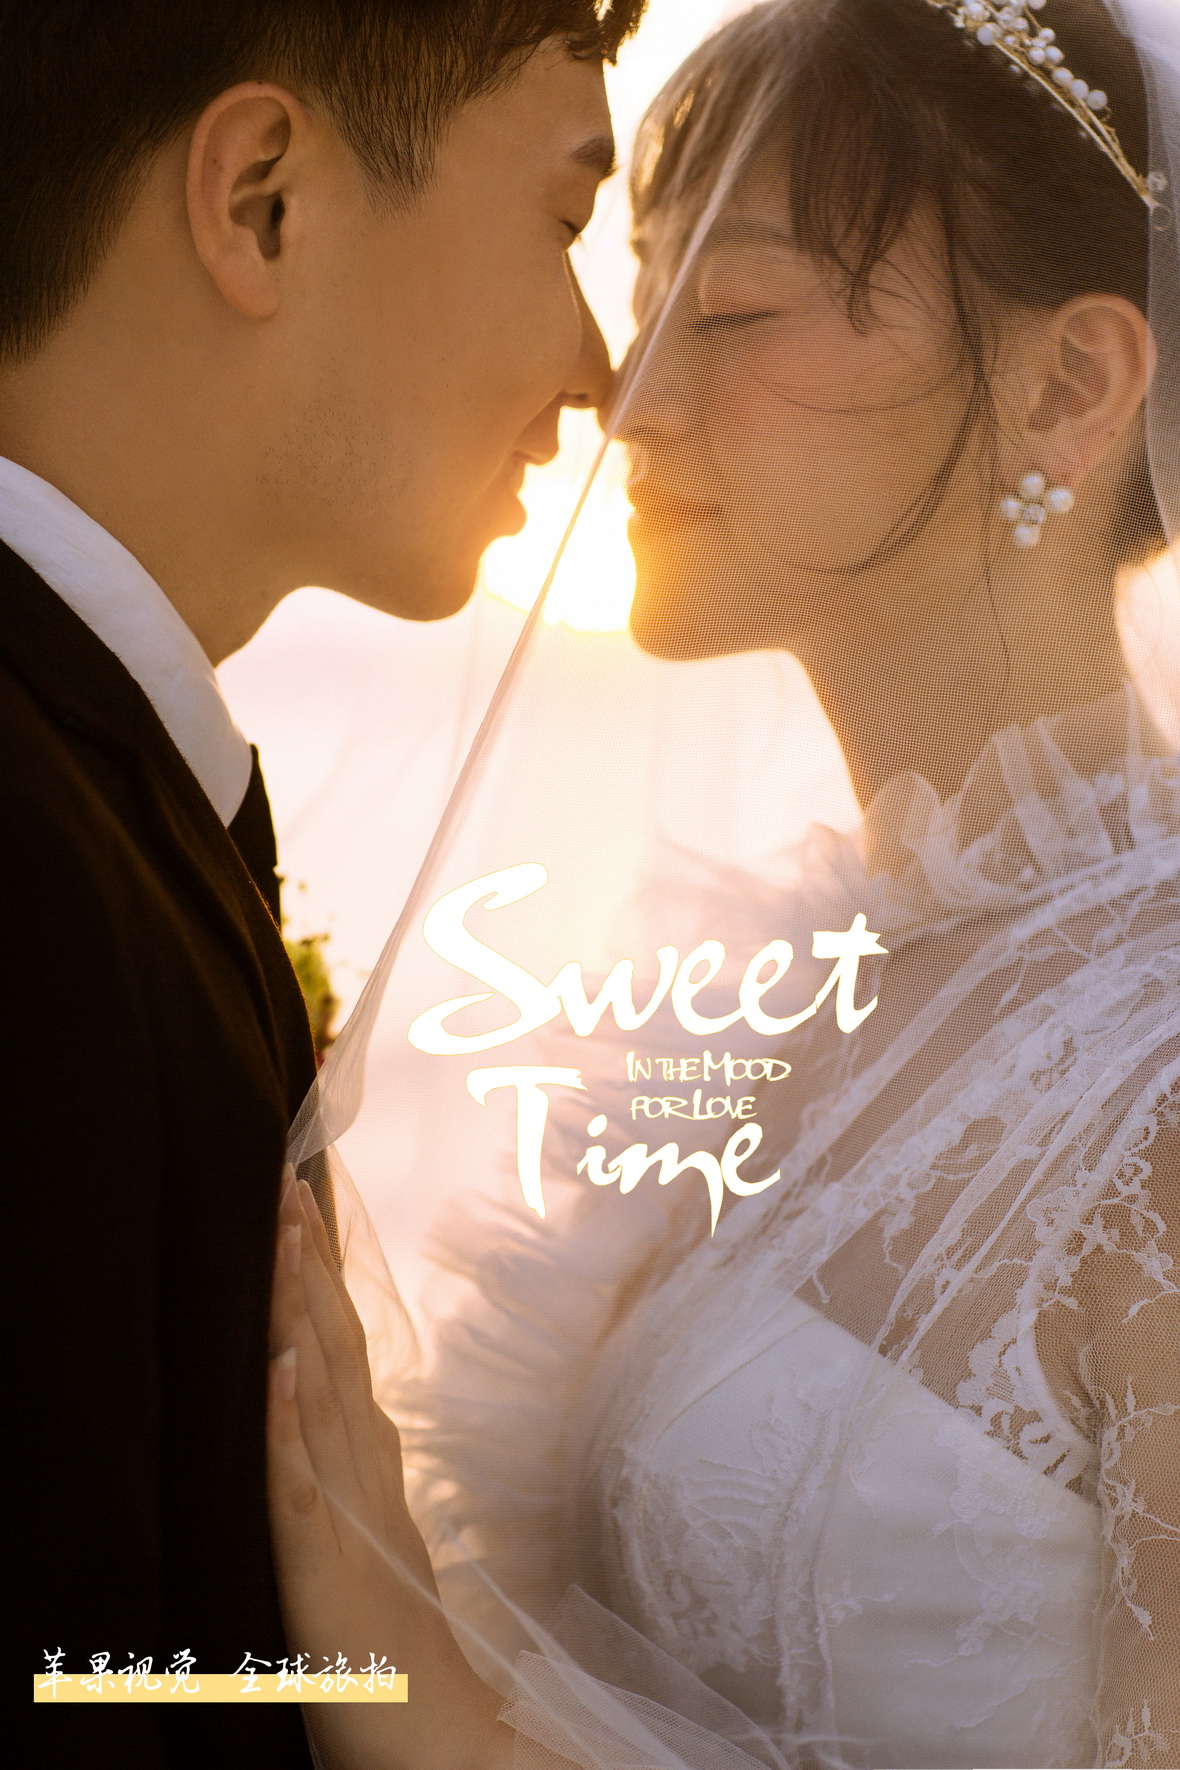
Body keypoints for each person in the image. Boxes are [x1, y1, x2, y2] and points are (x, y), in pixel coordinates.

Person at [267, 0, 1180, 1765]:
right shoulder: (799, 990)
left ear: (1071, 386)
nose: (628, 392)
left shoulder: (1159, 1071)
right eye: (647, 288)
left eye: (736, 309)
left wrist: (438, 1718)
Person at [11, 4, 645, 1766]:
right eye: (565, 220)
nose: (601, 365)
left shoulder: (103, 794)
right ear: (261, 203)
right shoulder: (29, 858)